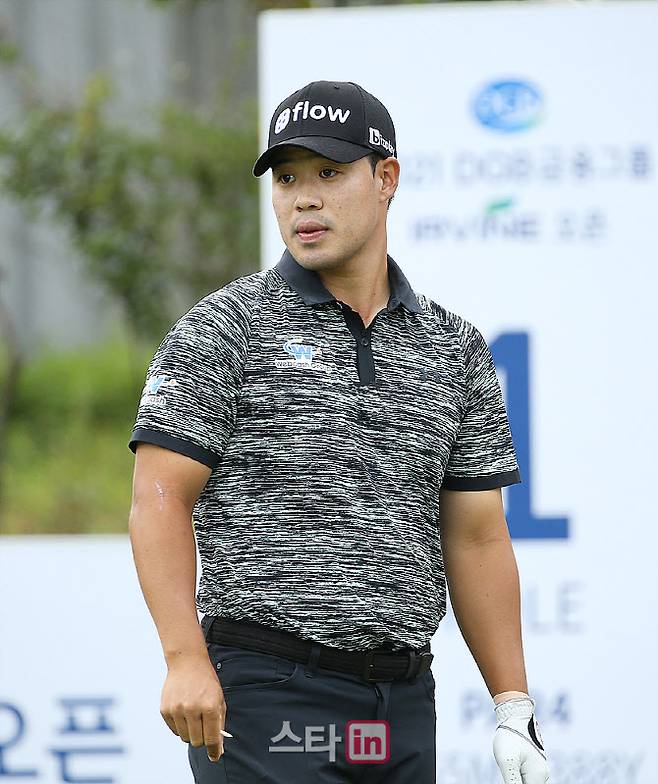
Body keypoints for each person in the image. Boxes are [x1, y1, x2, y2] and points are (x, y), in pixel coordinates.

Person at [127, 80, 549, 784]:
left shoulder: (454, 349)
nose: (304, 199)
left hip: (401, 703)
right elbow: (159, 498)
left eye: (329, 172)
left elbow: (476, 535)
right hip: (270, 692)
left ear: (386, 179)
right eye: (287, 178)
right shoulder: (226, 326)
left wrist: (512, 704)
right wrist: (183, 658)